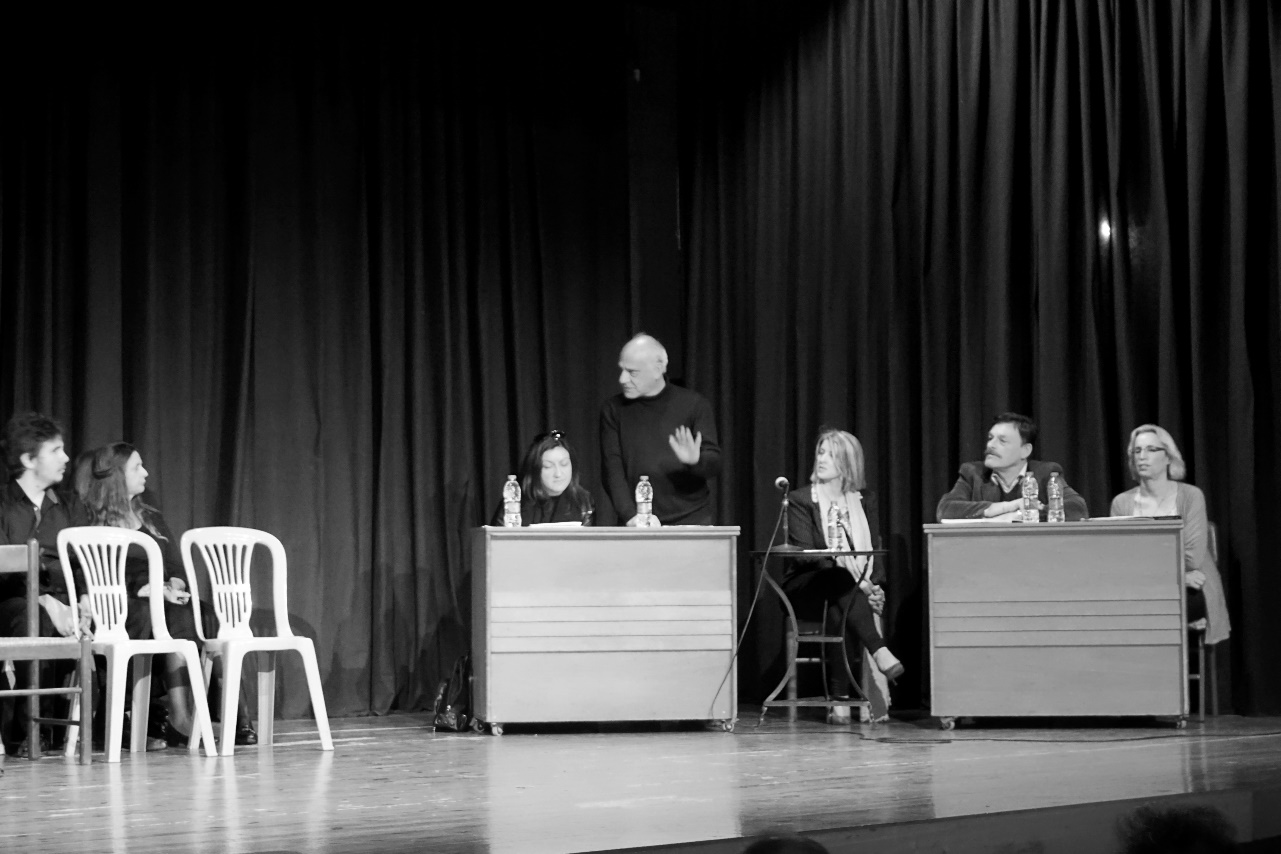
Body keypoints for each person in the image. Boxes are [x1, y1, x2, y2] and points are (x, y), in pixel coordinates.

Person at [76, 442, 256, 747]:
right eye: (137, 467)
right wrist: (144, 589)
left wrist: (174, 585)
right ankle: (178, 717)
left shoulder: (150, 517)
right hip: (120, 603)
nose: (145, 473)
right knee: (173, 616)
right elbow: (90, 572)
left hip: (163, 599)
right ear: (117, 475)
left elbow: (175, 564)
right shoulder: (92, 520)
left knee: (204, 613)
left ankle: (235, 716)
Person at [783, 428, 902, 724]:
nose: (821, 459)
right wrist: (860, 583)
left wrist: (875, 585)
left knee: (842, 604)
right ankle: (879, 650)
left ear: (848, 462)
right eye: (820, 453)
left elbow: (873, 548)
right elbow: (806, 555)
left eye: (831, 455)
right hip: (807, 587)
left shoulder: (865, 500)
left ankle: (840, 701)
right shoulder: (801, 499)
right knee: (838, 579)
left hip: (847, 593)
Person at [0, 412, 94, 755]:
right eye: (55, 450)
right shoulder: (3, 504)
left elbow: (84, 560)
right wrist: (43, 599)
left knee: (118, 617)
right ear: (28, 459)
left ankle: (112, 725)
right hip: (11, 601)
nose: (66, 458)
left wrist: (84, 598)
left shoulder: (69, 504)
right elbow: (7, 569)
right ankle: (31, 728)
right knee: (32, 617)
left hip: (66, 598)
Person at [1109, 425, 1230, 646]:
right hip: (1153, 586)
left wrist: (1148, 571)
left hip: (1191, 587)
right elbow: (1121, 562)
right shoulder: (1121, 503)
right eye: (1137, 451)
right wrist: (1178, 577)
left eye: (1151, 449)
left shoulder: (1191, 496)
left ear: (1168, 457)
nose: (1142, 456)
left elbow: (1192, 559)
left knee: (1150, 607)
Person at [599, 333, 721, 525]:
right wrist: (631, 516)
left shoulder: (694, 405)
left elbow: (714, 464)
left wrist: (696, 460)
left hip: (691, 520)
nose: (622, 379)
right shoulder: (613, 410)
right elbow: (612, 471)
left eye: (632, 372)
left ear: (658, 369)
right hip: (637, 522)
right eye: (622, 370)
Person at [936, 412, 1089, 521]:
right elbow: (946, 510)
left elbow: (1077, 509)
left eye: (1002, 441)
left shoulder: (1046, 474)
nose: (990, 445)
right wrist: (1009, 507)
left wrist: (1018, 516)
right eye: (990, 438)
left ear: (1025, 450)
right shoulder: (972, 474)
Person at [490, 430, 595, 526]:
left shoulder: (583, 501)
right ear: (535, 469)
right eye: (548, 466)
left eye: (564, 464)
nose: (558, 474)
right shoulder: (515, 502)